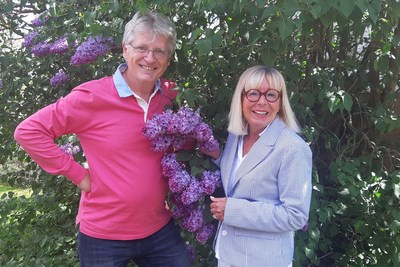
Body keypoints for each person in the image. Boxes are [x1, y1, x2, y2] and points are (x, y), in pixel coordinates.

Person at [14, 11, 192, 267]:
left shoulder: (171, 95)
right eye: (141, 48)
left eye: (159, 51)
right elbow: (28, 131)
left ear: (168, 58)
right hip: (103, 235)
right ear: (125, 49)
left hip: (159, 228)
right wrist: (78, 175)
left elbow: (184, 144)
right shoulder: (92, 97)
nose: (150, 58)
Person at [205, 65, 312, 267]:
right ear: (242, 98)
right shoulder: (236, 136)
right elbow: (243, 174)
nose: (262, 101)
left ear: (280, 103)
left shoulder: (292, 148)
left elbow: (295, 216)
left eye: (271, 95)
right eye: (253, 93)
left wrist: (233, 210)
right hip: (228, 255)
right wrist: (217, 156)